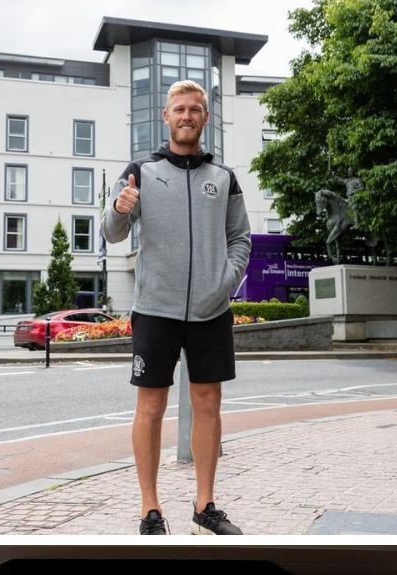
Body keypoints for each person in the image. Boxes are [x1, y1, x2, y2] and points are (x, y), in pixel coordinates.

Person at [101, 78, 251, 536]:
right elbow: (111, 233)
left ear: (206, 118)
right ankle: (151, 509)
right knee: (150, 407)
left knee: (208, 404)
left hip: (210, 310)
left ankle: (205, 504)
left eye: (195, 109)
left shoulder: (223, 177)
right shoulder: (141, 172)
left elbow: (240, 238)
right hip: (155, 309)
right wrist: (121, 208)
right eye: (179, 109)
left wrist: (225, 283)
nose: (187, 116)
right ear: (166, 117)